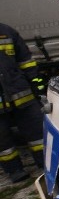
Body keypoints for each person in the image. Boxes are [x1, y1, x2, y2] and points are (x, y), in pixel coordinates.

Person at [0, 22, 45, 182]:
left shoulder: (6, 31)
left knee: (37, 130)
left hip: (20, 92)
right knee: (2, 140)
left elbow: (25, 60)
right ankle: (14, 170)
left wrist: (34, 83)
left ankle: (45, 162)